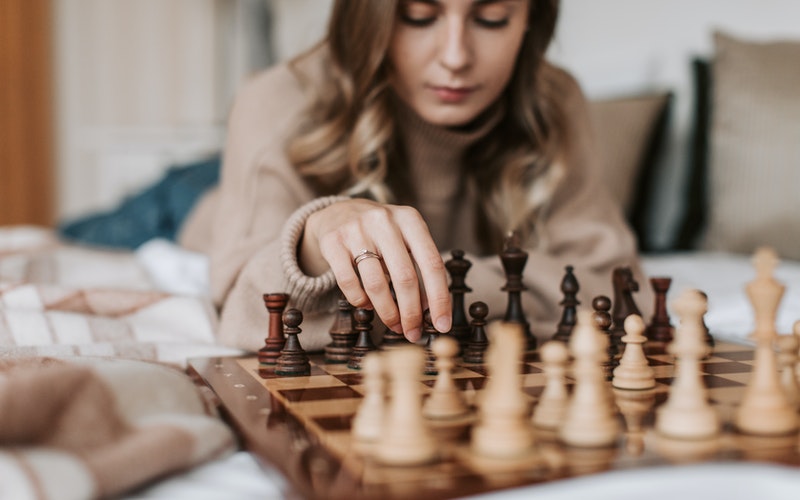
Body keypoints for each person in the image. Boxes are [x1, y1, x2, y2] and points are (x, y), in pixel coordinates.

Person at [202, 0, 651, 352]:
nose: (455, 56)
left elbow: (620, 290)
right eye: (417, 16)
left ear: (532, 19)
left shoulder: (554, 100)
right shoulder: (273, 98)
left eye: (492, 18)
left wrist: (430, 284)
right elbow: (244, 314)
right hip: (196, 209)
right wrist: (316, 239)